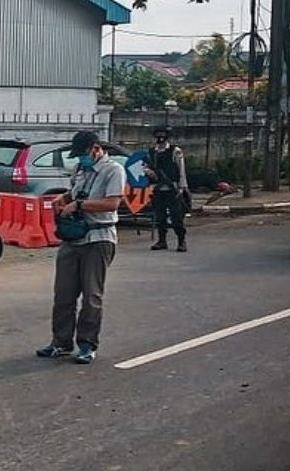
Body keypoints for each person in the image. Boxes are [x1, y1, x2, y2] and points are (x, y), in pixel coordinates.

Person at [37, 131, 125, 366]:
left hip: (98, 237)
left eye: (84, 154)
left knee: (91, 295)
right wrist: (64, 199)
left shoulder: (113, 170)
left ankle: (87, 344)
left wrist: (80, 204)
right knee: (63, 294)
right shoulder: (80, 170)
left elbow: (113, 202)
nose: (81, 159)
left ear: (95, 148)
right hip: (73, 238)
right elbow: (74, 193)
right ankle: (61, 342)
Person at [144, 125, 190, 252]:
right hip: (157, 189)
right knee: (160, 217)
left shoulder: (176, 151)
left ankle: (181, 241)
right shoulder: (151, 152)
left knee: (176, 217)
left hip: (172, 188)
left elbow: (181, 170)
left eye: (163, 135)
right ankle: (161, 241)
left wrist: (182, 188)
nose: (160, 138)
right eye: (158, 135)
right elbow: (145, 166)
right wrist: (149, 172)